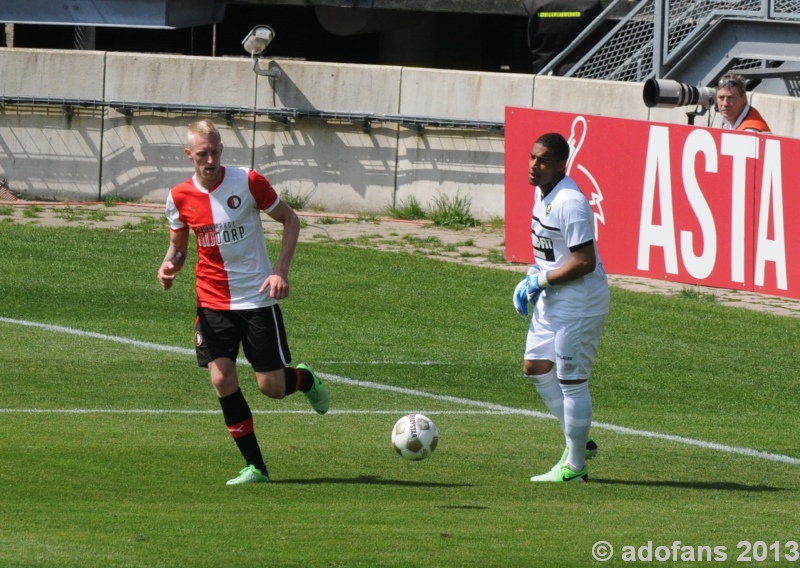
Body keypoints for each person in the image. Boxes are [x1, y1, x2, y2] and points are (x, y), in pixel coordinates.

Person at [157, 118, 330, 486]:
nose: (211, 159)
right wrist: (169, 264)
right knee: (221, 377)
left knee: (272, 388)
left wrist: (280, 271)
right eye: (202, 153)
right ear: (189, 154)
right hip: (212, 302)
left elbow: (291, 221)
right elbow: (180, 248)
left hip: (256, 299)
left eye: (216, 150)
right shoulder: (179, 197)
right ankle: (256, 467)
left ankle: (305, 379)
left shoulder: (248, 181)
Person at [512, 132, 609, 483]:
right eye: (532, 157)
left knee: (573, 382)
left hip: (580, 301)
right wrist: (532, 275)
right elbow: (552, 251)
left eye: (543, 161)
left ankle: (576, 467)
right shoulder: (543, 193)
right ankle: (578, 438)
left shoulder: (570, 202)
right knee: (536, 366)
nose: (534, 166)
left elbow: (584, 261)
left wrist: (541, 282)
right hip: (555, 295)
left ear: (560, 165)